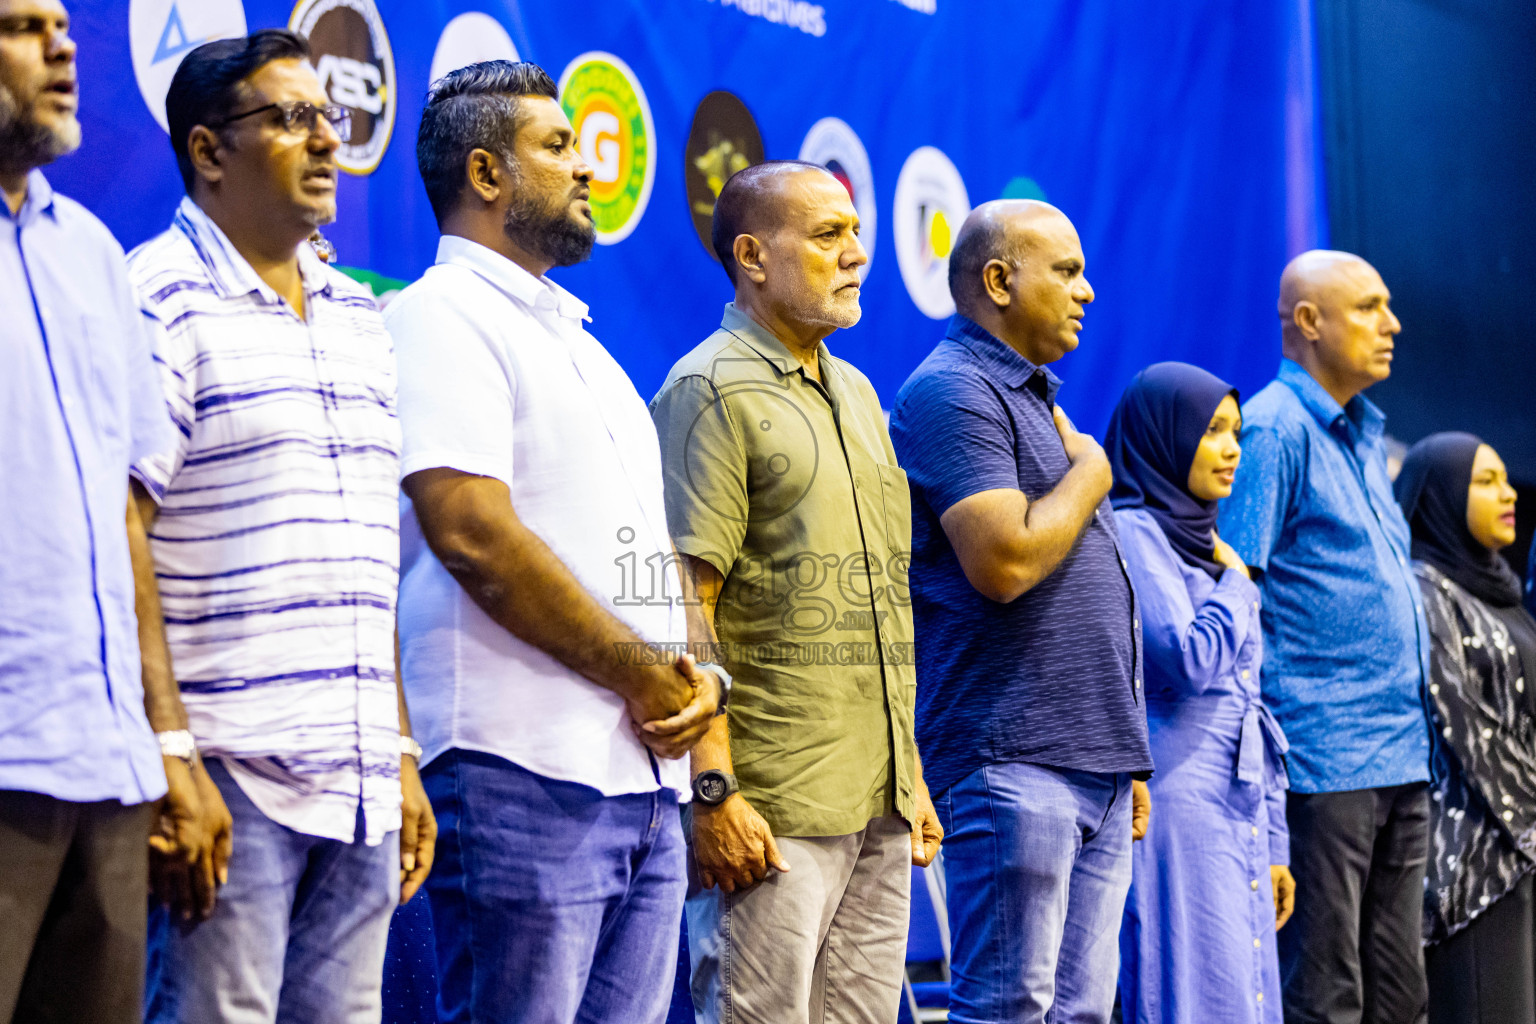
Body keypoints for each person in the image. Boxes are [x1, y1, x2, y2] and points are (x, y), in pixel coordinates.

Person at [387, 60, 721, 1024]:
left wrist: (700, 682)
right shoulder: (439, 317)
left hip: (643, 782)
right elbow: (474, 534)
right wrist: (640, 674)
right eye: (558, 146)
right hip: (520, 771)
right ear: (486, 175)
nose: (586, 168)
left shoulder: (585, 346)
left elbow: (646, 561)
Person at [130, 31, 435, 1023]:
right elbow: (118, 535)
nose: (325, 143)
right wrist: (173, 751)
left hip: (358, 781)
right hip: (230, 773)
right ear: (209, 151)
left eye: (329, 119)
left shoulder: (357, 315)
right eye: (291, 120)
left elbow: (364, 554)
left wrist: (396, 748)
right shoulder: (154, 300)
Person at [650, 160, 942, 1024]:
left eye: (855, 233)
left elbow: (881, 600)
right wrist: (714, 792)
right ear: (752, 255)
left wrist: (910, 772)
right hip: (769, 813)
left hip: (880, 805)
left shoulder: (855, 391)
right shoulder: (706, 390)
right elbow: (680, 605)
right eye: (827, 236)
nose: (855, 254)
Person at [0, 2, 224, 1020]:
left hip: (107, 766)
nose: (63, 44)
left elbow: (122, 516)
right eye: (19, 27)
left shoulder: (89, 249)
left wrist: (162, 743)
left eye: (60, 22)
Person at [888, 199, 1151, 1024]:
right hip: (1011, 761)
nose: (1089, 292)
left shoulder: (1036, 402)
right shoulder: (952, 390)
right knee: (1010, 1009)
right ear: (998, 281)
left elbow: (1090, 593)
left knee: (1079, 1014)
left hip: (1093, 766)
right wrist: (1092, 475)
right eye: (1066, 271)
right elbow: (1003, 562)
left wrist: (1125, 748)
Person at [1218, 249, 1432, 1024]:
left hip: (1402, 750)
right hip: (1323, 758)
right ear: (1308, 322)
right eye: (1371, 307)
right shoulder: (1274, 430)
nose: (1393, 323)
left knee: (1402, 991)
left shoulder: (1365, 435)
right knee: (1325, 993)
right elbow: (1238, 589)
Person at [1107, 363, 1293, 1024]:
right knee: (1188, 987)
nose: (1232, 448)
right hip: (1176, 805)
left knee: (1246, 994)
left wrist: (1275, 845)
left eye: (1236, 432)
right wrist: (1240, 585)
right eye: (1213, 431)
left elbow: (1251, 705)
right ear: (1166, 437)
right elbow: (1188, 658)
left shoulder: (1208, 548)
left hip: (1238, 804)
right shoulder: (1135, 532)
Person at [1395, 433, 1536, 1024]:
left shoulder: (1503, 592)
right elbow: (1468, 732)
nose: (1507, 494)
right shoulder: (1425, 590)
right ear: (1441, 496)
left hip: (1522, 848)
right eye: (1485, 481)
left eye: (1506, 478)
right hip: (1474, 868)